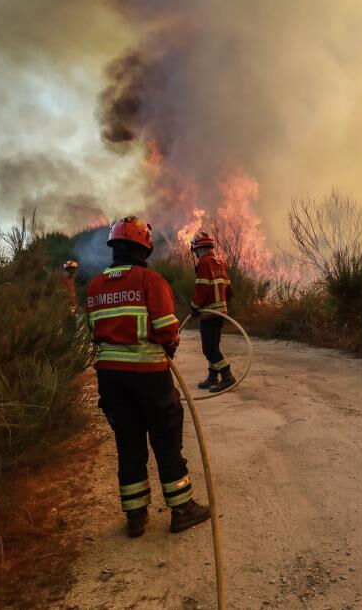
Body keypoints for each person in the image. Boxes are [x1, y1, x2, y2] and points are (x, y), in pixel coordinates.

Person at [86, 216, 211, 538]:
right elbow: (167, 330)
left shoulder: (95, 286)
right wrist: (168, 348)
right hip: (149, 378)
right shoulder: (150, 281)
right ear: (145, 247)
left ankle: (136, 516)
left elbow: (93, 332)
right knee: (166, 441)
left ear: (114, 247)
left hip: (110, 380)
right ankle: (182, 509)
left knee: (128, 444)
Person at [189, 230, 235, 392]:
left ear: (196, 249)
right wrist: (222, 303)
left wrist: (194, 306)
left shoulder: (203, 263)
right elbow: (229, 288)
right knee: (213, 345)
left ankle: (227, 376)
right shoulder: (219, 262)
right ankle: (212, 376)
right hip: (220, 313)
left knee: (209, 349)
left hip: (209, 314)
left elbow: (202, 287)